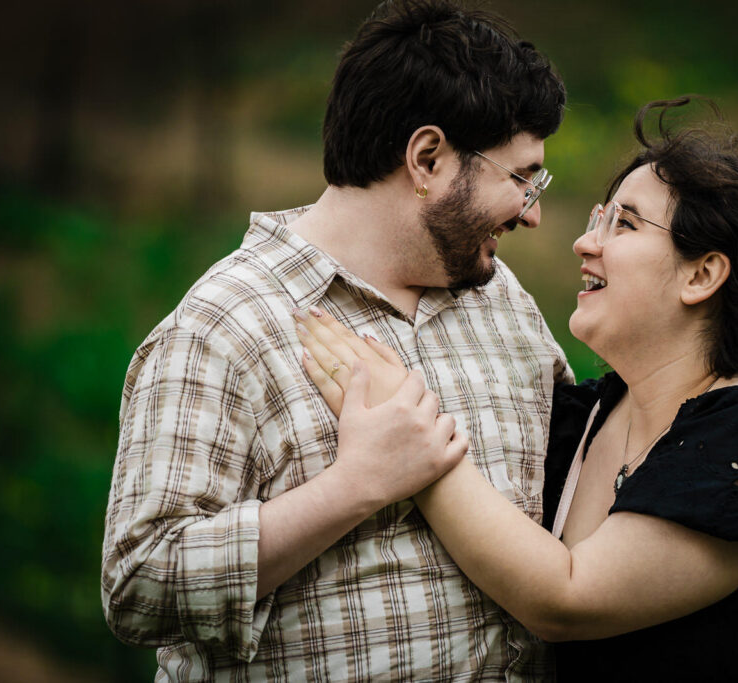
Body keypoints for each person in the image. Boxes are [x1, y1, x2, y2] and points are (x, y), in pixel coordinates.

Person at [296, 97, 738, 681]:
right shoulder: (585, 417)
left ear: (702, 274)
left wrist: (415, 443)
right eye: (600, 217)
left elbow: (566, 599)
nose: (584, 242)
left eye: (624, 224)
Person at [101, 1, 571, 680]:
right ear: (428, 158)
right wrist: (353, 486)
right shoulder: (226, 325)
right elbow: (138, 585)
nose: (533, 212)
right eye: (522, 177)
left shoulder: (504, 303)